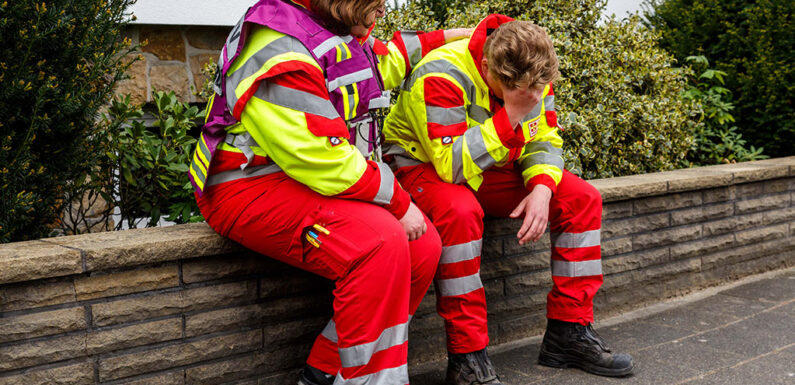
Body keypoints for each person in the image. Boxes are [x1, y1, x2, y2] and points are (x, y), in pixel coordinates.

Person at [188, 0, 471, 384]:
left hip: (300, 176)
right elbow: (321, 155)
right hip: (247, 184)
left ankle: (322, 373)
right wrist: (399, 202)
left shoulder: (328, 25)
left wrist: (453, 37)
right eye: (376, 2)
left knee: (423, 247)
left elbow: (380, 65)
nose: (383, 9)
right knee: (380, 241)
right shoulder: (280, 44)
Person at [382, 14, 635, 384]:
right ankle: (467, 359)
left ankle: (568, 333)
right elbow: (452, 167)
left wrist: (542, 188)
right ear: (487, 67)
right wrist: (512, 114)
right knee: (460, 212)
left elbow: (544, 138)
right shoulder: (440, 73)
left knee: (581, 198)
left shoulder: (532, 76)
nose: (532, 98)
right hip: (424, 165)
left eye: (536, 91)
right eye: (518, 93)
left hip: (490, 165)